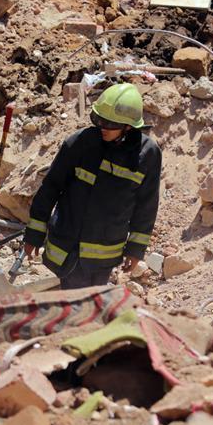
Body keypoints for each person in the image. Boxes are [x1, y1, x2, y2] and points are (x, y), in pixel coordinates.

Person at [22, 83, 162, 289]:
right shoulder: (80, 144)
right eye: (99, 120)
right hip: (68, 249)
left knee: (90, 302)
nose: (102, 127)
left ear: (128, 126)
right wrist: (34, 233)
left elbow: (146, 206)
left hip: (104, 256)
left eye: (109, 123)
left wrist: (135, 249)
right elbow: (50, 188)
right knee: (72, 302)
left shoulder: (147, 155)